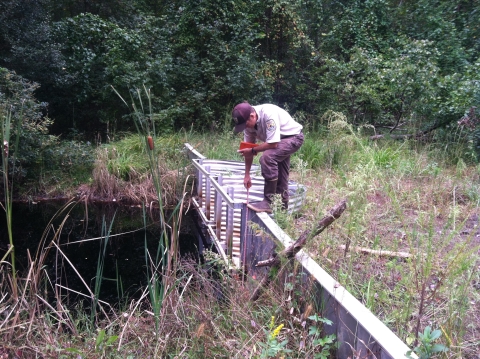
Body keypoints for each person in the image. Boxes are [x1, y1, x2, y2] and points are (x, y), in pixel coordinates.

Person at [233, 102, 304, 213]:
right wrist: (247, 175)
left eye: (246, 124)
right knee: (281, 172)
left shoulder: (268, 114)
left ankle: (268, 201)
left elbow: (273, 144)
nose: (245, 128)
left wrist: (253, 150)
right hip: (281, 140)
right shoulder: (248, 127)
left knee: (267, 157)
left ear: (252, 116)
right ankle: (282, 209)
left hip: (293, 137)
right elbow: (248, 151)